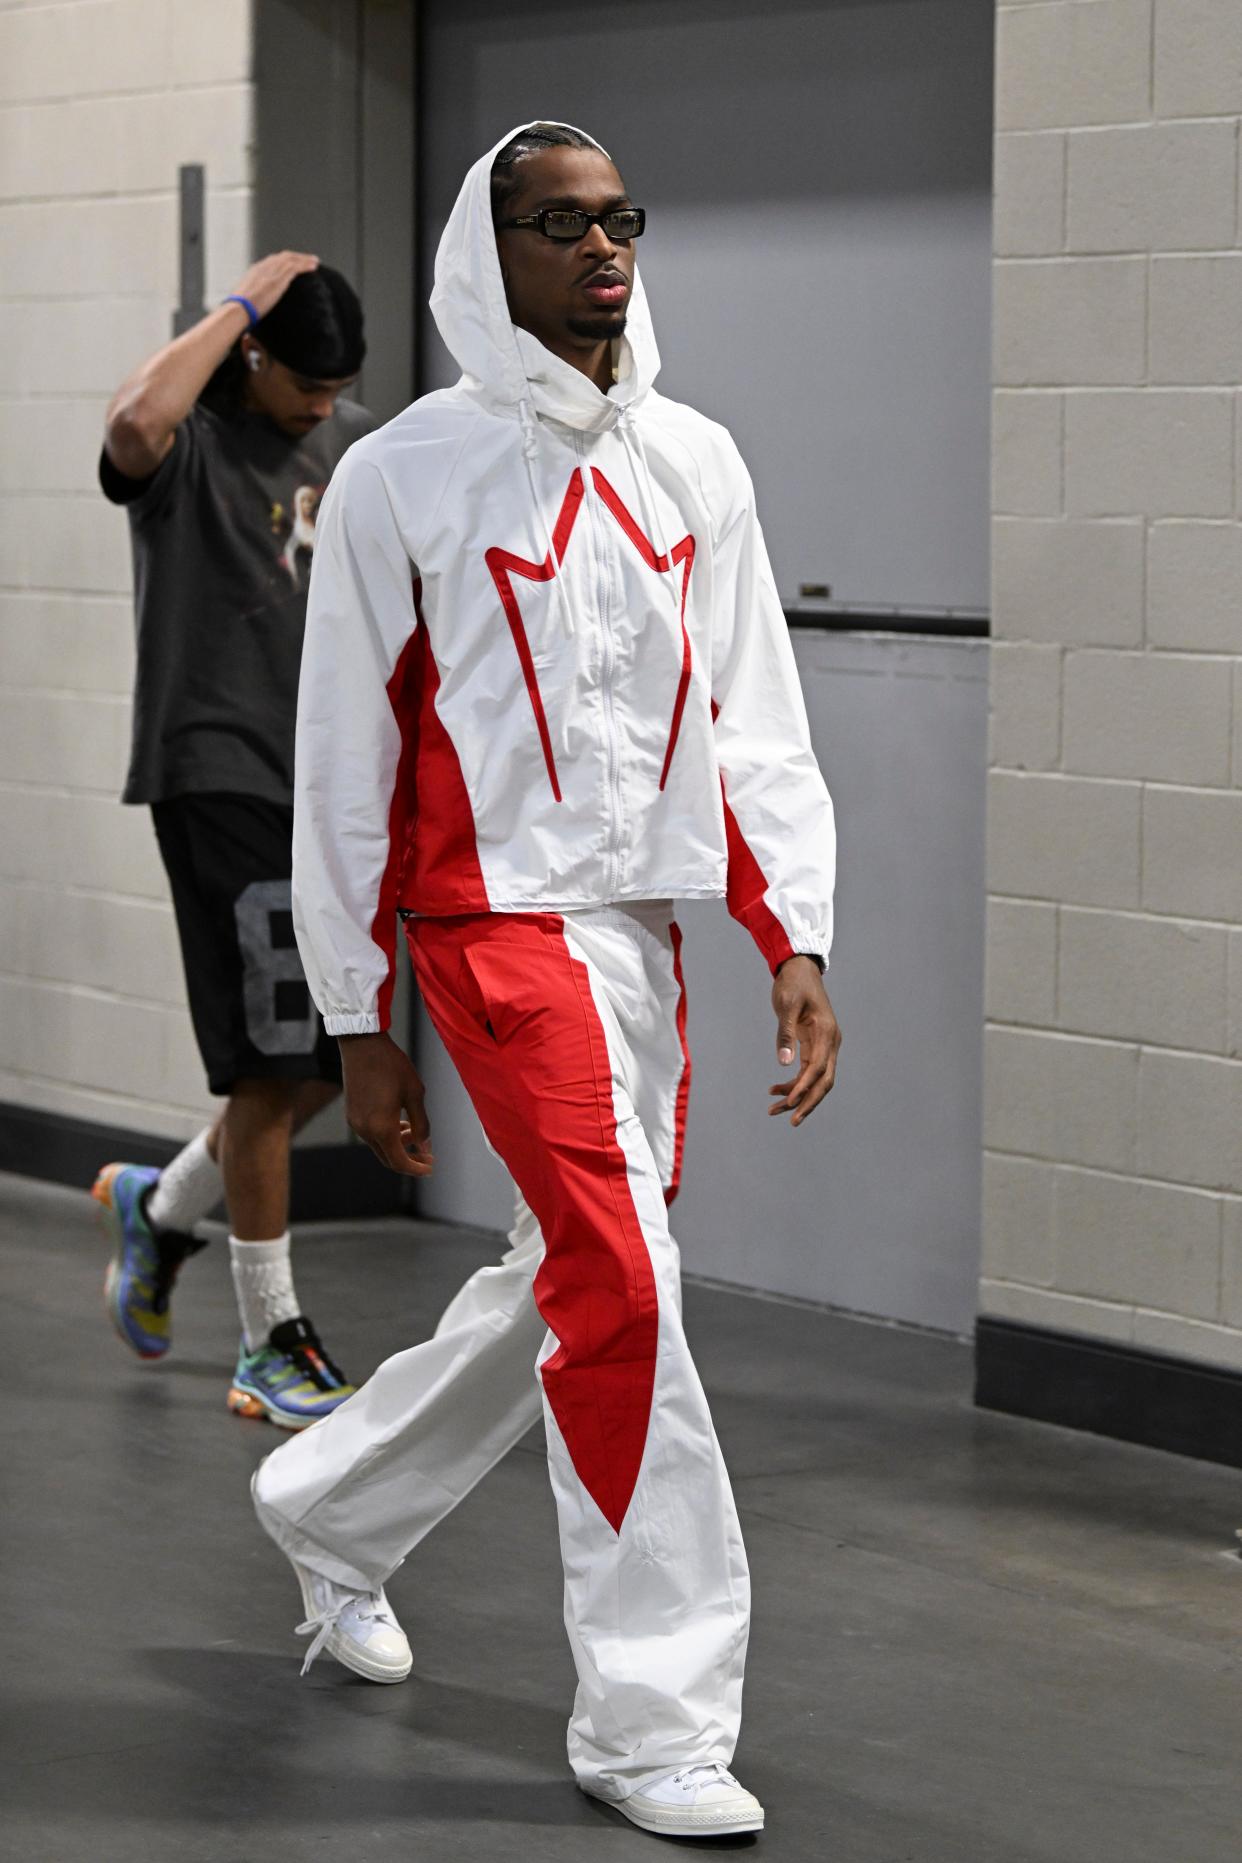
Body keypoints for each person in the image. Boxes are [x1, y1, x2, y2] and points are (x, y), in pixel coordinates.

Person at [251, 123, 841, 1839]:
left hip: (639, 935)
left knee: (582, 1272)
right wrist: (359, 1013)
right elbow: (342, 761)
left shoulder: (696, 468)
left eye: (621, 220)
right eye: (562, 223)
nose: (604, 249)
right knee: (625, 1286)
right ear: (485, 250)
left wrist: (789, 932)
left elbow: (750, 724)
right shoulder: (404, 476)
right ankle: (651, 1716)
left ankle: (332, 1501)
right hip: (489, 929)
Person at [93, 255, 376, 1430]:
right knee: (275, 1066)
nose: (323, 407)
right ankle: (270, 1338)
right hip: (217, 774)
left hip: (326, 787)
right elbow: (132, 418)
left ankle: (164, 1214)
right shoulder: (188, 456)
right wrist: (241, 301)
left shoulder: (351, 447)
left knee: (320, 1064)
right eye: (306, 383)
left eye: (338, 387)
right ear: (253, 353)